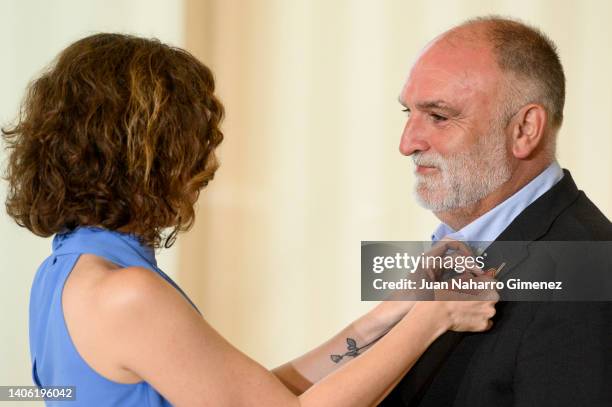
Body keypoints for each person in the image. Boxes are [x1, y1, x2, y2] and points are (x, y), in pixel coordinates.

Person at [2, 33, 498, 406]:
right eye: (195, 144)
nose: (208, 168)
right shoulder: (127, 295)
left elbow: (249, 393)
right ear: (144, 153)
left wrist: (392, 312)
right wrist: (436, 316)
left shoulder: (64, 272)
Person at [380, 16, 612, 407]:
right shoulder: (445, 257)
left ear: (525, 129)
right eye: (409, 113)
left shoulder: (589, 275)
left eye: (438, 116)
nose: (407, 143)